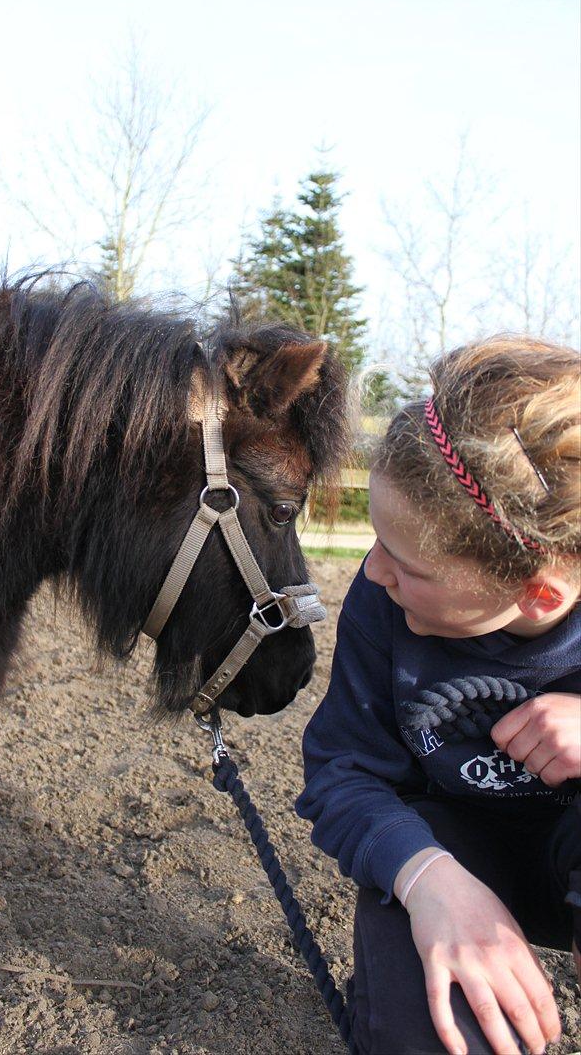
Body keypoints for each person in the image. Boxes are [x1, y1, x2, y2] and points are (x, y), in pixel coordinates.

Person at [296, 336, 581, 1055]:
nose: (371, 571)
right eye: (375, 542)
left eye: (406, 563)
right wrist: (426, 879)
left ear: (537, 592)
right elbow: (344, 771)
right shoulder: (382, 600)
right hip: (448, 847)